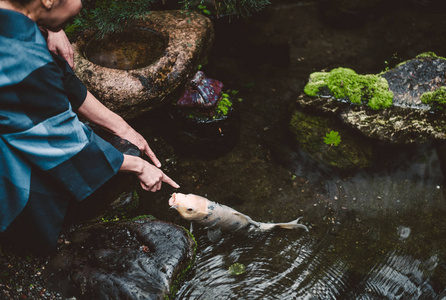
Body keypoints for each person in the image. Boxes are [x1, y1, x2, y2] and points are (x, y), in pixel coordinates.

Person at [0, 0, 180, 254]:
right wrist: (137, 165)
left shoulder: (16, 27)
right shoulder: (25, 58)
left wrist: (121, 126)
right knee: (38, 195)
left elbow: (57, 77)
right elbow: (64, 143)